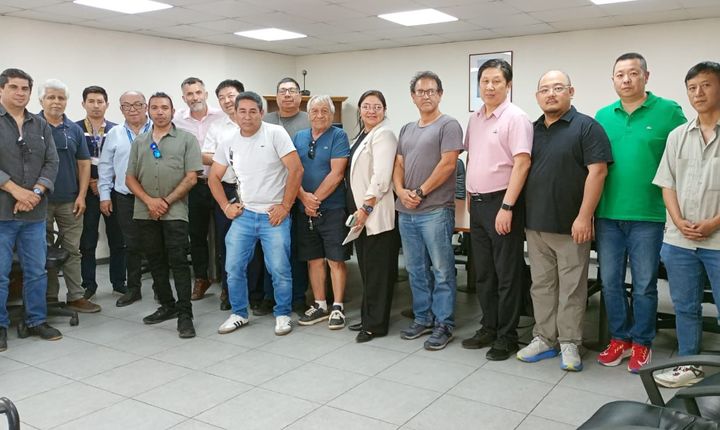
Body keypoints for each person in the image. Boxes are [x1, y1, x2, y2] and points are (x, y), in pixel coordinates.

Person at [595, 52, 687, 373]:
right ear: (613, 80)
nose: (626, 79)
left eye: (633, 73)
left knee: (645, 284)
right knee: (610, 282)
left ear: (646, 76)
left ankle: (642, 342)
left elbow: (684, 156)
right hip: (608, 214)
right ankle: (619, 338)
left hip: (649, 215)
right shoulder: (603, 115)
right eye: (620, 74)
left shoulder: (668, 111)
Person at [517, 71, 612, 371]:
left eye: (558, 88)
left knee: (572, 288)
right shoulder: (531, 130)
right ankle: (544, 338)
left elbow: (598, 172)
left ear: (571, 92)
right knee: (541, 285)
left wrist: (584, 217)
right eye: (544, 89)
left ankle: (570, 342)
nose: (551, 94)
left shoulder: (587, 127)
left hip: (572, 226)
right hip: (536, 224)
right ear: (537, 96)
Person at [209, 91, 303, 336]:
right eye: (242, 111)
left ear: (261, 112)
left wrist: (285, 206)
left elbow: (296, 170)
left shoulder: (275, 133)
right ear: (235, 113)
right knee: (233, 267)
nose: (247, 116)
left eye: (253, 111)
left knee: (279, 269)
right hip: (245, 214)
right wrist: (226, 206)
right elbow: (213, 177)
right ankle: (239, 313)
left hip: (274, 215)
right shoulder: (229, 140)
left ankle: (282, 314)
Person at [652, 61, 720, 387]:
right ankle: (689, 365)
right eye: (692, 88)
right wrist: (678, 221)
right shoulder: (678, 135)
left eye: (706, 85)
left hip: (717, 240)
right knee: (685, 306)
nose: (698, 93)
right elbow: (667, 184)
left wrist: (713, 223)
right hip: (679, 241)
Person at [461, 59, 532, 361]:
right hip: (478, 204)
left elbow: (522, 163)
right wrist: (469, 196)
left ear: (508, 85)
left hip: (502, 203)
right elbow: (472, 157)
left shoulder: (516, 118)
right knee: (484, 273)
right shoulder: (475, 118)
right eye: (484, 81)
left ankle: (507, 335)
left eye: (496, 81)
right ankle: (489, 326)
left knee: (507, 274)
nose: (489, 87)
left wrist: (507, 206)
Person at [394, 71, 463, 351]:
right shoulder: (407, 129)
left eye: (431, 91)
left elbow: (448, 164)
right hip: (406, 211)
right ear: (413, 97)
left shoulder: (449, 125)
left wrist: (420, 192)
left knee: (442, 270)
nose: (426, 96)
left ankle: (444, 324)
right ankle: (423, 318)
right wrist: (400, 191)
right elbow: (398, 164)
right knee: (415, 269)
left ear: (440, 94)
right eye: (421, 91)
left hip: (435, 210)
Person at [125, 92, 202, 339]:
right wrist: (150, 201)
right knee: (155, 260)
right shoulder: (140, 142)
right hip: (145, 211)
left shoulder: (187, 139)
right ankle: (167, 305)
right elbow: (129, 178)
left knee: (178, 261)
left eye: (164, 108)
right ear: (148, 111)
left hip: (175, 211)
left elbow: (192, 177)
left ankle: (185, 314)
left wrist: (166, 201)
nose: (159, 112)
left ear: (172, 111)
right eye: (155, 108)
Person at [0, 68, 62, 351]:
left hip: (34, 214)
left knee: (36, 270)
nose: (20, 93)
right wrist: (16, 191)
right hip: (3, 214)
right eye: (14, 87)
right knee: (1, 274)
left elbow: (52, 162)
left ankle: (37, 320)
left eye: (25, 88)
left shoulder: (40, 125)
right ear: (2, 90)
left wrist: (35, 193)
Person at [39, 79, 101, 313]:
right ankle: (49, 297)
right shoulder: (32, 126)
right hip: (40, 202)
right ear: (41, 100)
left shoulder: (74, 129)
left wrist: (82, 195)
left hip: (71, 200)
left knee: (72, 250)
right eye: (51, 97)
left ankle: (76, 296)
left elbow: (84, 164)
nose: (56, 102)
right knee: (43, 252)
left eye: (61, 98)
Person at [346, 90, 400, 342]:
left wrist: (366, 208)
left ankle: (375, 325)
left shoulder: (384, 135)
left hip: (374, 214)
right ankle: (368, 316)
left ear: (384, 110)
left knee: (378, 273)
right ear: (359, 110)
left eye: (377, 107)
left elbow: (381, 177)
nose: (371, 111)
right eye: (366, 106)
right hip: (361, 217)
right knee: (368, 270)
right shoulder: (363, 135)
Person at [294, 95, 351, 330]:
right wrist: (303, 198)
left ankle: (337, 306)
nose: (319, 115)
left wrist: (313, 201)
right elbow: (291, 171)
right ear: (308, 114)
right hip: (304, 209)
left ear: (332, 114)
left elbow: (336, 174)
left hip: (332, 209)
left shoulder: (339, 136)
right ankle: (320, 304)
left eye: (324, 111)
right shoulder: (299, 137)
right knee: (314, 259)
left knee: (335, 259)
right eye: (315, 111)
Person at [98, 91, 152, 307]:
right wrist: (104, 195)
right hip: (125, 197)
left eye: (137, 104)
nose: (133, 109)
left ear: (145, 106)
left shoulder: (158, 129)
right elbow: (105, 166)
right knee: (131, 245)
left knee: (158, 243)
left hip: (155, 198)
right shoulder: (115, 133)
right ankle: (133, 288)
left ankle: (161, 288)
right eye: (127, 106)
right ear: (120, 109)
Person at [263, 77, 311, 315]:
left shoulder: (309, 120)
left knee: (296, 249)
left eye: (292, 91)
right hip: (272, 194)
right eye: (283, 91)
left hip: (300, 193)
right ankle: (270, 296)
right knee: (271, 250)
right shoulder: (265, 121)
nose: (288, 95)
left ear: (301, 96)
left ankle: (298, 297)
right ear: (276, 96)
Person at [173, 77, 224, 301]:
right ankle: (201, 278)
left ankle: (227, 282)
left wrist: (199, 156)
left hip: (222, 183)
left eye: (198, 92)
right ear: (184, 98)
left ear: (205, 94)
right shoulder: (177, 120)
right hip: (195, 185)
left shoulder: (222, 117)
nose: (194, 97)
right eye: (190, 94)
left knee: (225, 234)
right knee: (196, 234)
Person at [76, 85, 125, 299]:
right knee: (87, 240)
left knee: (118, 238)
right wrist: (90, 182)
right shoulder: (75, 129)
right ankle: (88, 284)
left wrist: (106, 181)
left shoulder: (117, 130)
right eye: (91, 101)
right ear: (83, 104)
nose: (96, 106)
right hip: (85, 190)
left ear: (107, 104)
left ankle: (119, 282)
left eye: (100, 102)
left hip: (113, 189)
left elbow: (123, 160)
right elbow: (72, 162)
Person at [202, 79, 245, 311]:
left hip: (255, 191)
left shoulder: (256, 122)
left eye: (231, 95)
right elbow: (205, 155)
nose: (227, 101)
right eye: (222, 98)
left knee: (257, 244)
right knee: (227, 243)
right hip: (226, 190)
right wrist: (228, 156)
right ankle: (229, 291)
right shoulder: (217, 127)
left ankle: (255, 291)